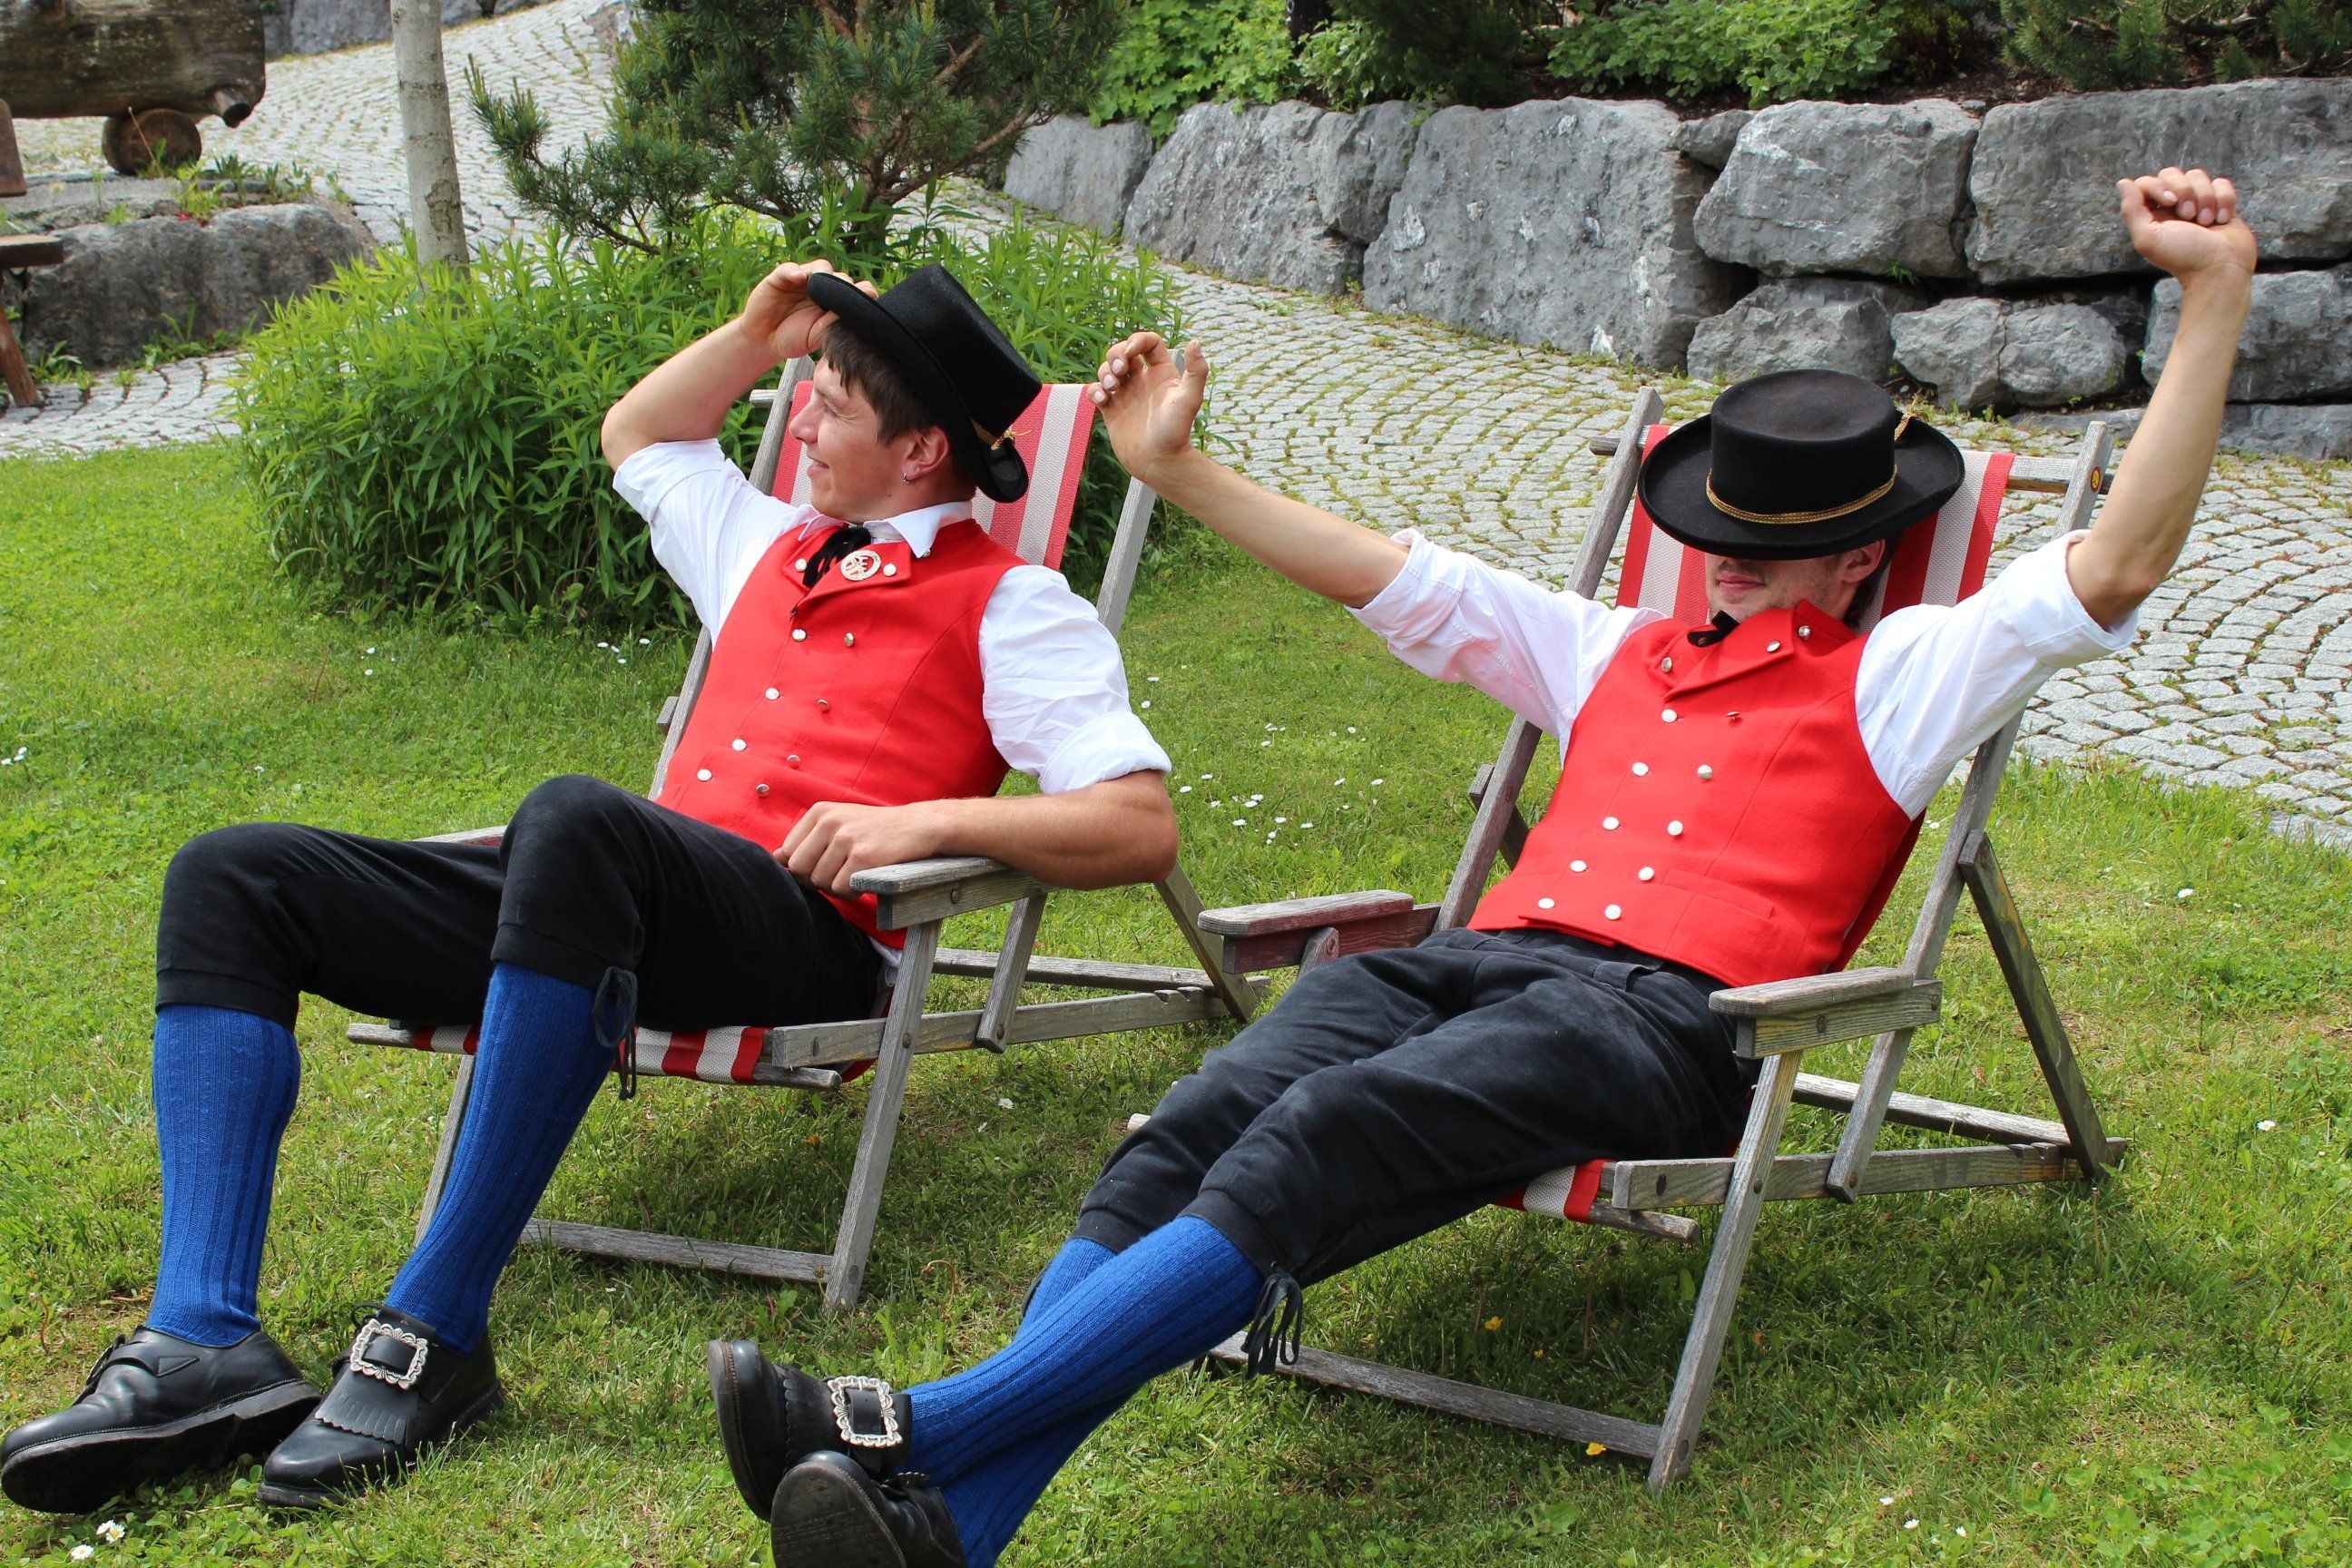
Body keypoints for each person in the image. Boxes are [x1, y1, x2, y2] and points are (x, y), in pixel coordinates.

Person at [702, 168, 2254, 1568]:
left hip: (1666, 1020)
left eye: (1771, 540)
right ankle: (962, 1527)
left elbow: (2117, 562)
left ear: (1861, 555)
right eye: (1720, 524)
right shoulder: (1612, 649)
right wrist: (1177, 472)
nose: (1728, 556)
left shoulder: (1901, 677)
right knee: (1203, 1117)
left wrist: (2213, 295)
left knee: (1333, 1127)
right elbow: (1399, 580)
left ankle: (919, 1424)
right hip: (1481, 966)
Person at [0, 261, 1178, 1516]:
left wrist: (924, 821)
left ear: (923, 449)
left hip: (803, 937)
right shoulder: (762, 540)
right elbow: (641, 434)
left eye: (829, 404)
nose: (797, 424)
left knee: (573, 818)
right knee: (235, 877)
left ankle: (435, 1333)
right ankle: (200, 1342)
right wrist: (754, 332)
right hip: (603, 911)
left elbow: (1138, 821)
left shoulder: (1013, 607)